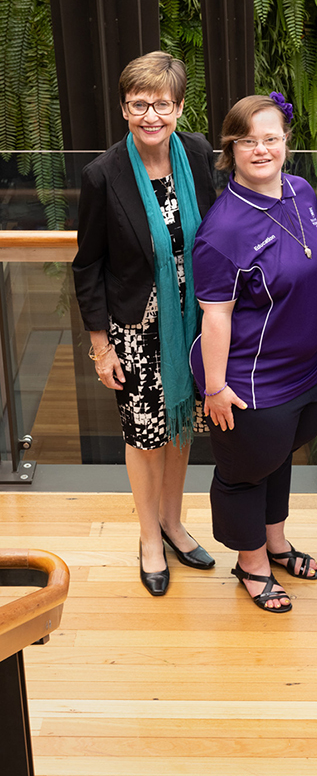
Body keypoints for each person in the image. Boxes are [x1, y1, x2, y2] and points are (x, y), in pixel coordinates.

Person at [73, 51, 217, 597]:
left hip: (196, 319)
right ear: (123, 107)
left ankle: (174, 523)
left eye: (162, 103)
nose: (150, 114)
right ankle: (148, 537)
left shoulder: (199, 155)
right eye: (139, 103)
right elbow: (88, 265)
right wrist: (100, 347)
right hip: (136, 326)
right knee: (146, 432)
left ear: (179, 107)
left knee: (181, 428)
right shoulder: (103, 175)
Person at [190, 94, 317, 613]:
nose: (261, 149)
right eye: (247, 140)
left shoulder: (301, 191)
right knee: (244, 472)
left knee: (277, 463)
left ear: (287, 142)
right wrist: (214, 388)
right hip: (251, 381)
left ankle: (275, 543)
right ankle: (250, 563)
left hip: (312, 368)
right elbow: (216, 317)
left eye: (271, 138)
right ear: (230, 148)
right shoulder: (222, 230)